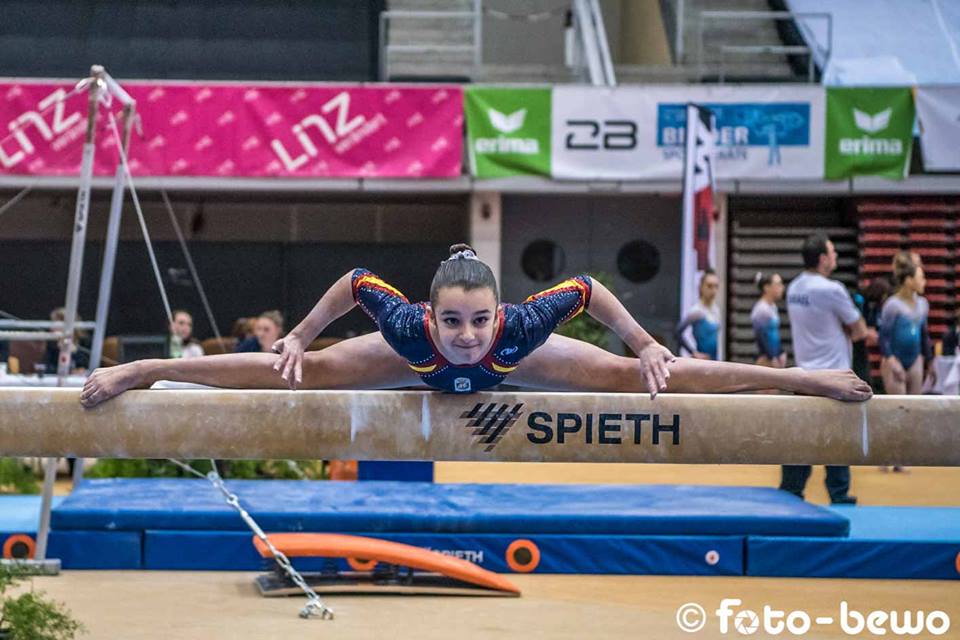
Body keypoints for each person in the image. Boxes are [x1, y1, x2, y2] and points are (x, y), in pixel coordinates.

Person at [80, 244, 872, 408]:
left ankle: (806, 382)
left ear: (500, 313)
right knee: (302, 374)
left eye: (478, 320)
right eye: (454, 321)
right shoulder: (409, 326)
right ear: (430, 315)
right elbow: (356, 282)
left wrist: (643, 341)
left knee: (641, 380)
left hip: (520, 363)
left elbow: (588, 288)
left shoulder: (522, 325)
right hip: (407, 365)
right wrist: (301, 334)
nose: (465, 333)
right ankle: (145, 372)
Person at [781, 233, 874, 505]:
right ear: (823, 259)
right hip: (834, 376)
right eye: (833, 252)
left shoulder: (794, 289)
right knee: (838, 438)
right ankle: (839, 493)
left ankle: (791, 491)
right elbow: (860, 331)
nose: (836, 257)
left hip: (804, 376)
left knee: (800, 439)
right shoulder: (832, 289)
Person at [879, 253, 930, 396]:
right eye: (921, 278)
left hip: (915, 360)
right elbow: (884, 337)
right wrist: (891, 360)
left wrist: (930, 361)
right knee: (899, 406)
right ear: (909, 281)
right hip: (894, 359)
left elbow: (924, 335)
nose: (924, 282)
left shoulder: (923, 304)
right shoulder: (892, 305)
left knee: (915, 406)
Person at [675, 268, 721, 360]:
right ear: (701, 287)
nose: (713, 291)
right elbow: (677, 333)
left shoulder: (716, 310)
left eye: (716, 286)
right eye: (709, 286)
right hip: (702, 361)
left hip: (715, 360)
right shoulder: (697, 311)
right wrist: (693, 352)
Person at [751, 272, 785, 367]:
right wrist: (771, 357)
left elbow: (774, 333)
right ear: (767, 287)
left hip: (773, 356)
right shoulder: (761, 309)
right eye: (778, 284)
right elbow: (761, 336)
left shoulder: (773, 306)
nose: (782, 287)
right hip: (765, 359)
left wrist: (780, 352)